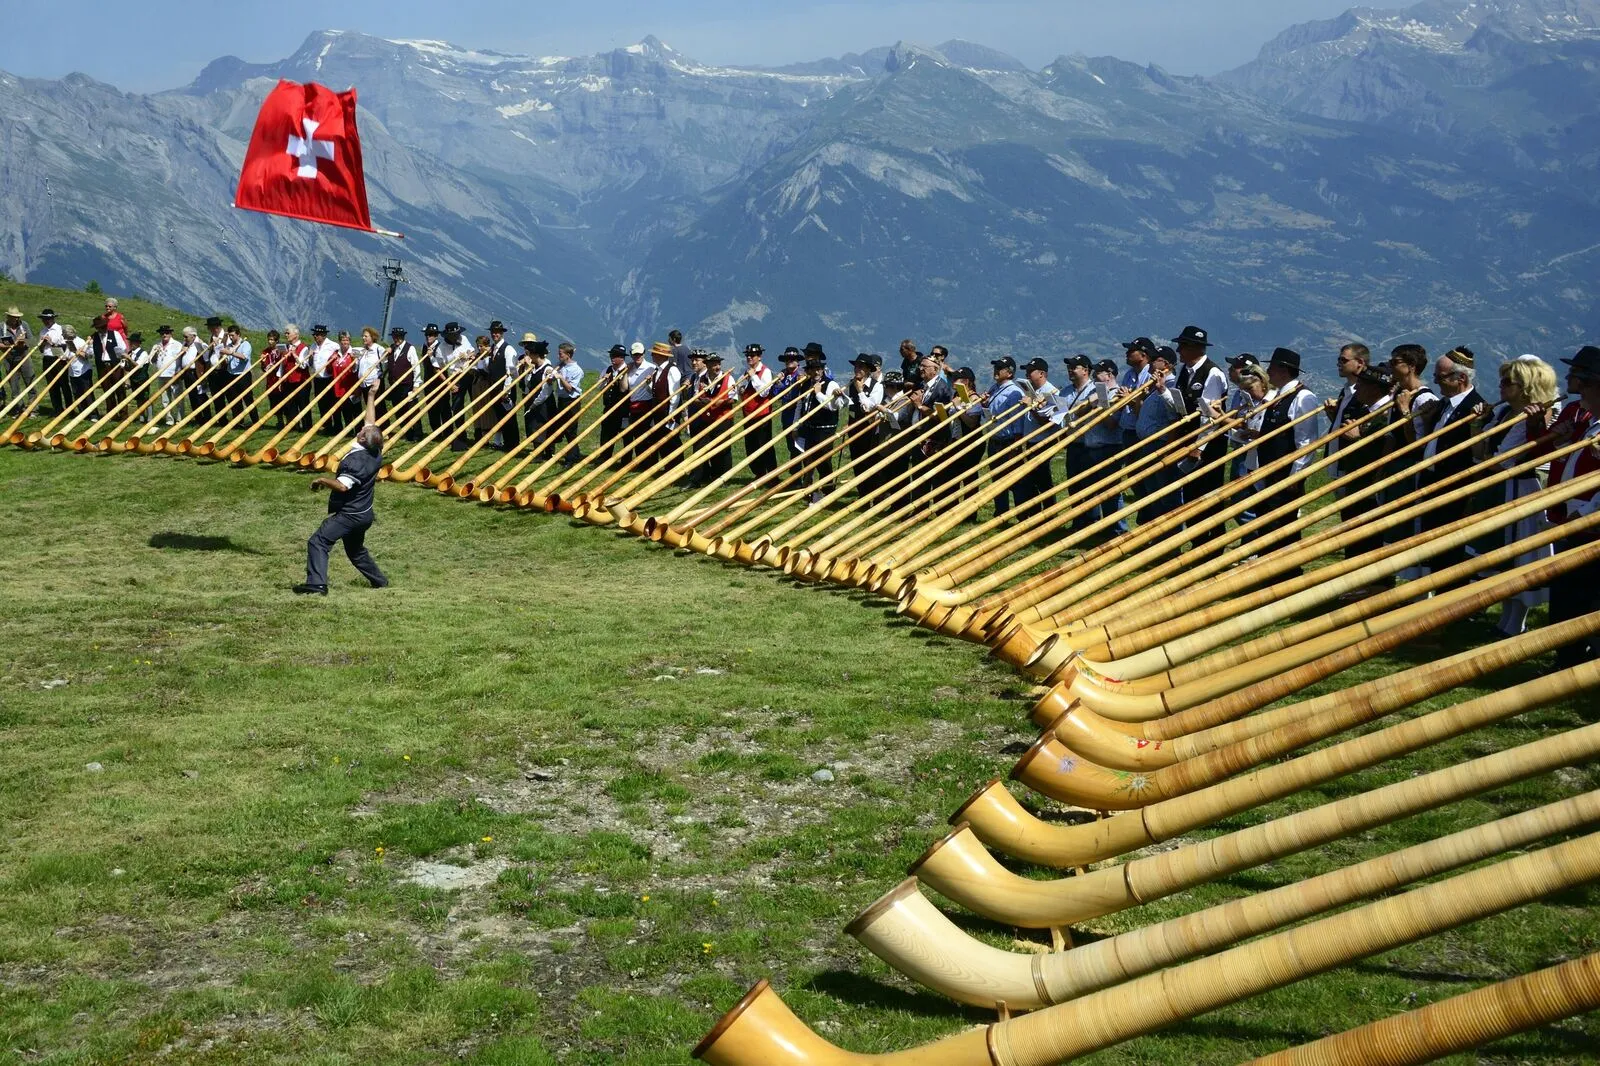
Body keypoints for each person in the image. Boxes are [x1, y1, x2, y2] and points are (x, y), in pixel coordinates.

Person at [1468, 356, 1559, 634]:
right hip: (1499, 488)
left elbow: (1503, 461)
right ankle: (1505, 620)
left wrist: (1486, 457)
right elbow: (1479, 453)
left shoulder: (1532, 417)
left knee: (1520, 556)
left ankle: (1515, 623)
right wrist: (1477, 424)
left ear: (1526, 386)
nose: (1501, 386)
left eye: (1508, 382)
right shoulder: (1504, 412)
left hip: (1520, 489)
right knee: (1501, 555)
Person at [1413, 346, 1490, 576]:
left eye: (1441, 377)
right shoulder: (1443, 404)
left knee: (1449, 553)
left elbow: (1477, 455)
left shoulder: (1476, 409)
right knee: (1431, 548)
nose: (1436, 382)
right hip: (1432, 482)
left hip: (1454, 488)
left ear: (1461, 378)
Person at [1547, 346, 1600, 667]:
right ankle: (1566, 661)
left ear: (1590, 383)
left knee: (1582, 598)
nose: (1569, 379)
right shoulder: (1591, 423)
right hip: (1575, 518)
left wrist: (1587, 512)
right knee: (1566, 597)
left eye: (1575, 375)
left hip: (1589, 524)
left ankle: (1575, 666)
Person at [1243, 348, 1322, 557]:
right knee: (1267, 524)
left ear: (1284, 370)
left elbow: (1306, 441)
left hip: (1284, 475)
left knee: (1281, 527)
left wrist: (1296, 476)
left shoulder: (1302, 397)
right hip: (1269, 471)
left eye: (1272, 367)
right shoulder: (1280, 394)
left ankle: (1286, 570)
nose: (1268, 371)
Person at [296, 420, 390, 596]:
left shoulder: (355, 462)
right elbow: (370, 422)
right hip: (365, 513)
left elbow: (342, 486)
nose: (361, 429)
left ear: (363, 439)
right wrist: (370, 401)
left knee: (318, 541)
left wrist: (322, 480)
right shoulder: (376, 452)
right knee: (355, 551)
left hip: (350, 516)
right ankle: (380, 581)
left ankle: (317, 585)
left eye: (363, 431)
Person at [1172, 325, 1230, 545]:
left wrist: (1200, 446)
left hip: (1208, 444)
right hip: (1189, 438)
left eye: (1182, 346)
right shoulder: (1185, 371)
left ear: (1194, 347)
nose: (1178, 350)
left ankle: (1212, 543)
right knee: (1191, 493)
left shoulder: (1212, 373)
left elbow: (1209, 414)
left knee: (1208, 493)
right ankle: (1197, 541)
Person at [1133, 347, 1186, 524]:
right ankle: (1157, 530)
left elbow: (1175, 418)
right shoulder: (1153, 385)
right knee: (1152, 492)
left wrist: (1168, 448)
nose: (1150, 362)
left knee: (1165, 493)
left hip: (1161, 444)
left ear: (1167, 364)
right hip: (1148, 443)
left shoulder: (1171, 385)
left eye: (1156, 359)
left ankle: (1170, 531)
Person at [788, 353, 847, 503]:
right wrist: (796, 426)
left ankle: (827, 491)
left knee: (823, 461)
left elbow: (834, 406)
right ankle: (810, 490)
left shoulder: (831, 384)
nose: (816, 372)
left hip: (825, 428)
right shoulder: (806, 384)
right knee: (808, 460)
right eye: (812, 369)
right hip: (809, 427)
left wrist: (818, 393)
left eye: (818, 369)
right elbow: (800, 405)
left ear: (822, 369)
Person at [844, 353, 886, 496]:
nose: (857, 369)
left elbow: (869, 407)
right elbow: (846, 404)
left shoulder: (877, 386)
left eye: (861, 367)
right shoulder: (851, 384)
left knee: (870, 461)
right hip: (854, 427)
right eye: (856, 366)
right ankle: (862, 494)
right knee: (856, 461)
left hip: (869, 429)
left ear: (868, 369)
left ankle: (874, 494)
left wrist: (860, 391)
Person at [739, 343, 776, 479]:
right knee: (751, 445)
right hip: (748, 414)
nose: (749, 357)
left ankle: (772, 475)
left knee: (764, 445)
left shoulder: (765, 371)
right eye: (748, 355)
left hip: (761, 414)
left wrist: (754, 376)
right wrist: (741, 388)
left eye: (753, 355)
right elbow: (740, 388)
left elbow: (764, 392)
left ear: (759, 357)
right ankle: (759, 473)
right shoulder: (746, 372)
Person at [772, 347, 807, 463]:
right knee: (791, 446)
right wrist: (778, 382)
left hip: (799, 413)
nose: (789, 361)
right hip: (786, 415)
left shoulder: (802, 374)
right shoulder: (783, 374)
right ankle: (795, 469)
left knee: (800, 445)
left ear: (797, 361)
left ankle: (803, 470)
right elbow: (776, 394)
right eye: (787, 359)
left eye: (792, 359)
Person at [385, 327, 420, 437]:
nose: (397, 339)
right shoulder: (391, 349)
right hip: (394, 385)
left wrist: (416, 384)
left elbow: (416, 367)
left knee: (411, 410)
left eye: (399, 337)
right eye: (395, 337)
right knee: (398, 410)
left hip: (406, 384)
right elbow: (387, 365)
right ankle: (407, 433)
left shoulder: (410, 348)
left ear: (403, 337)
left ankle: (417, 433)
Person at [598, 345, 632, 460]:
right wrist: (604, 381)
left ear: (622, 358)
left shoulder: (628, 370)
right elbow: (600, 388)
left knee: (626, 436)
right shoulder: (607, 370)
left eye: (615, 356)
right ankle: (604, 457)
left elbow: (625, 389)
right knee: (606, 434)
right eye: (611, 355)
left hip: (624, 410)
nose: (612, 358)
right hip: (609, 408)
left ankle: (626, 461)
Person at [37, 309, 72, 414]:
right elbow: (41, 349)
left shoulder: (60, 329)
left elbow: (64, 347)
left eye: (48, 319)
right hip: (47, 359)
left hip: (59, 358)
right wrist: (43, 343)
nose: (46, 321)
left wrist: (51, 343)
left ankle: (70, 409)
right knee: (52, 386)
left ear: (53, 319)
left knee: (64, 384)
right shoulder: (42, 331)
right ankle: (57, 409)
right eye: (44, 319)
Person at [554, 342, 584, 460]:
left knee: (571, 429)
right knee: (564, 429)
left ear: (568, 355)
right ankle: (576, 454)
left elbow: (570, 389)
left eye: (561, 354)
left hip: (572, 401)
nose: (558, 356)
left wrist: (560, 377)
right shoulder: (560, 365)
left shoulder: (577, 370)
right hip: (561, 400)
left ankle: (570, 458)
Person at [3, 306, 33, 404]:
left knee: (29, 380)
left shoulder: (24, 325)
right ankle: (18, 407)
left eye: (17, 317)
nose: (16, 319)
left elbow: (32, 341)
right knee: (14, 384)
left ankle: (33, 407)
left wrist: (23, 342)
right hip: (9, 358)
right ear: (8, 317)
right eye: (13, 317)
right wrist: (10, 346)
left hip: (24, 356)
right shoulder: (2, 327)